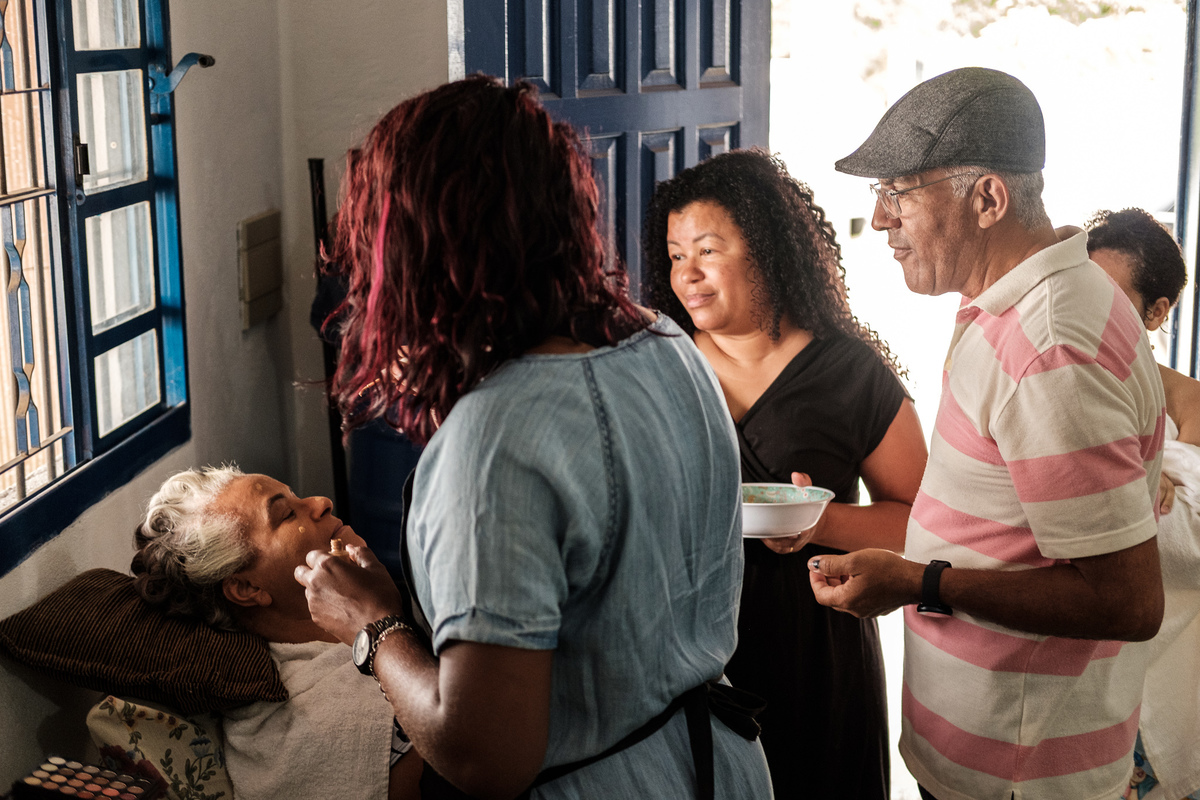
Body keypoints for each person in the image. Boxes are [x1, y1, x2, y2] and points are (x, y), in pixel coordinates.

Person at [294, 74, 774, 800]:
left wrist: (374, 625)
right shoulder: (666, 343)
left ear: (417, 251)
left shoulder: (492, 443)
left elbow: (487, 757)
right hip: (719, 766)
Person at [809, 67, 1166, 800]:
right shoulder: (1021, 303)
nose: (880, 219)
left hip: (1022, 775)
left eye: (899, 192)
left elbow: (1126, 602)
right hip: (995, 759)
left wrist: (919, 580)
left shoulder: (1050, 345)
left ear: (988, 199)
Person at [641, 148, 928, 799]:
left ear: (766, 249)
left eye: (708, 250)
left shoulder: (851, 372)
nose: (687, 274)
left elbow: (922, 522)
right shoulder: (653, 364)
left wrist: (817, 522)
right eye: (676, 254)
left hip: (817, 656)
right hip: (685, 655)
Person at [132, 465, 423, 800]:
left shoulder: (386, 605)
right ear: (246, 587)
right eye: (286, 514)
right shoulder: (309, 725)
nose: (321, 502)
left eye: (296, 496)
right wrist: (384, 621)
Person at [1086, 208, 1200, 800]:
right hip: (1071, 680)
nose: (1090, 312)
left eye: (1111, 297)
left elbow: (1188, 541)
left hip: (1159, 677)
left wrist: (1143, 476)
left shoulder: (1191, 404)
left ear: (1156, 313)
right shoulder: (1056, 390)